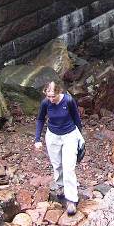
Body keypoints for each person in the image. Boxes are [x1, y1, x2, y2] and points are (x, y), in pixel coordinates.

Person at [34, 81, 83, 215]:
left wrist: (80, 137)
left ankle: (72, 200)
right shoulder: (45, 103)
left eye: (53, 96)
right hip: (53, 136)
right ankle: (61, 186)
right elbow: (40, 119)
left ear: (59, 92)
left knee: (69, 167)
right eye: (48, 96)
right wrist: (37, 139)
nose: (51, 99)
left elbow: (76, 118)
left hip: (69, 135)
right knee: (57, 165)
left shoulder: (68, 101)